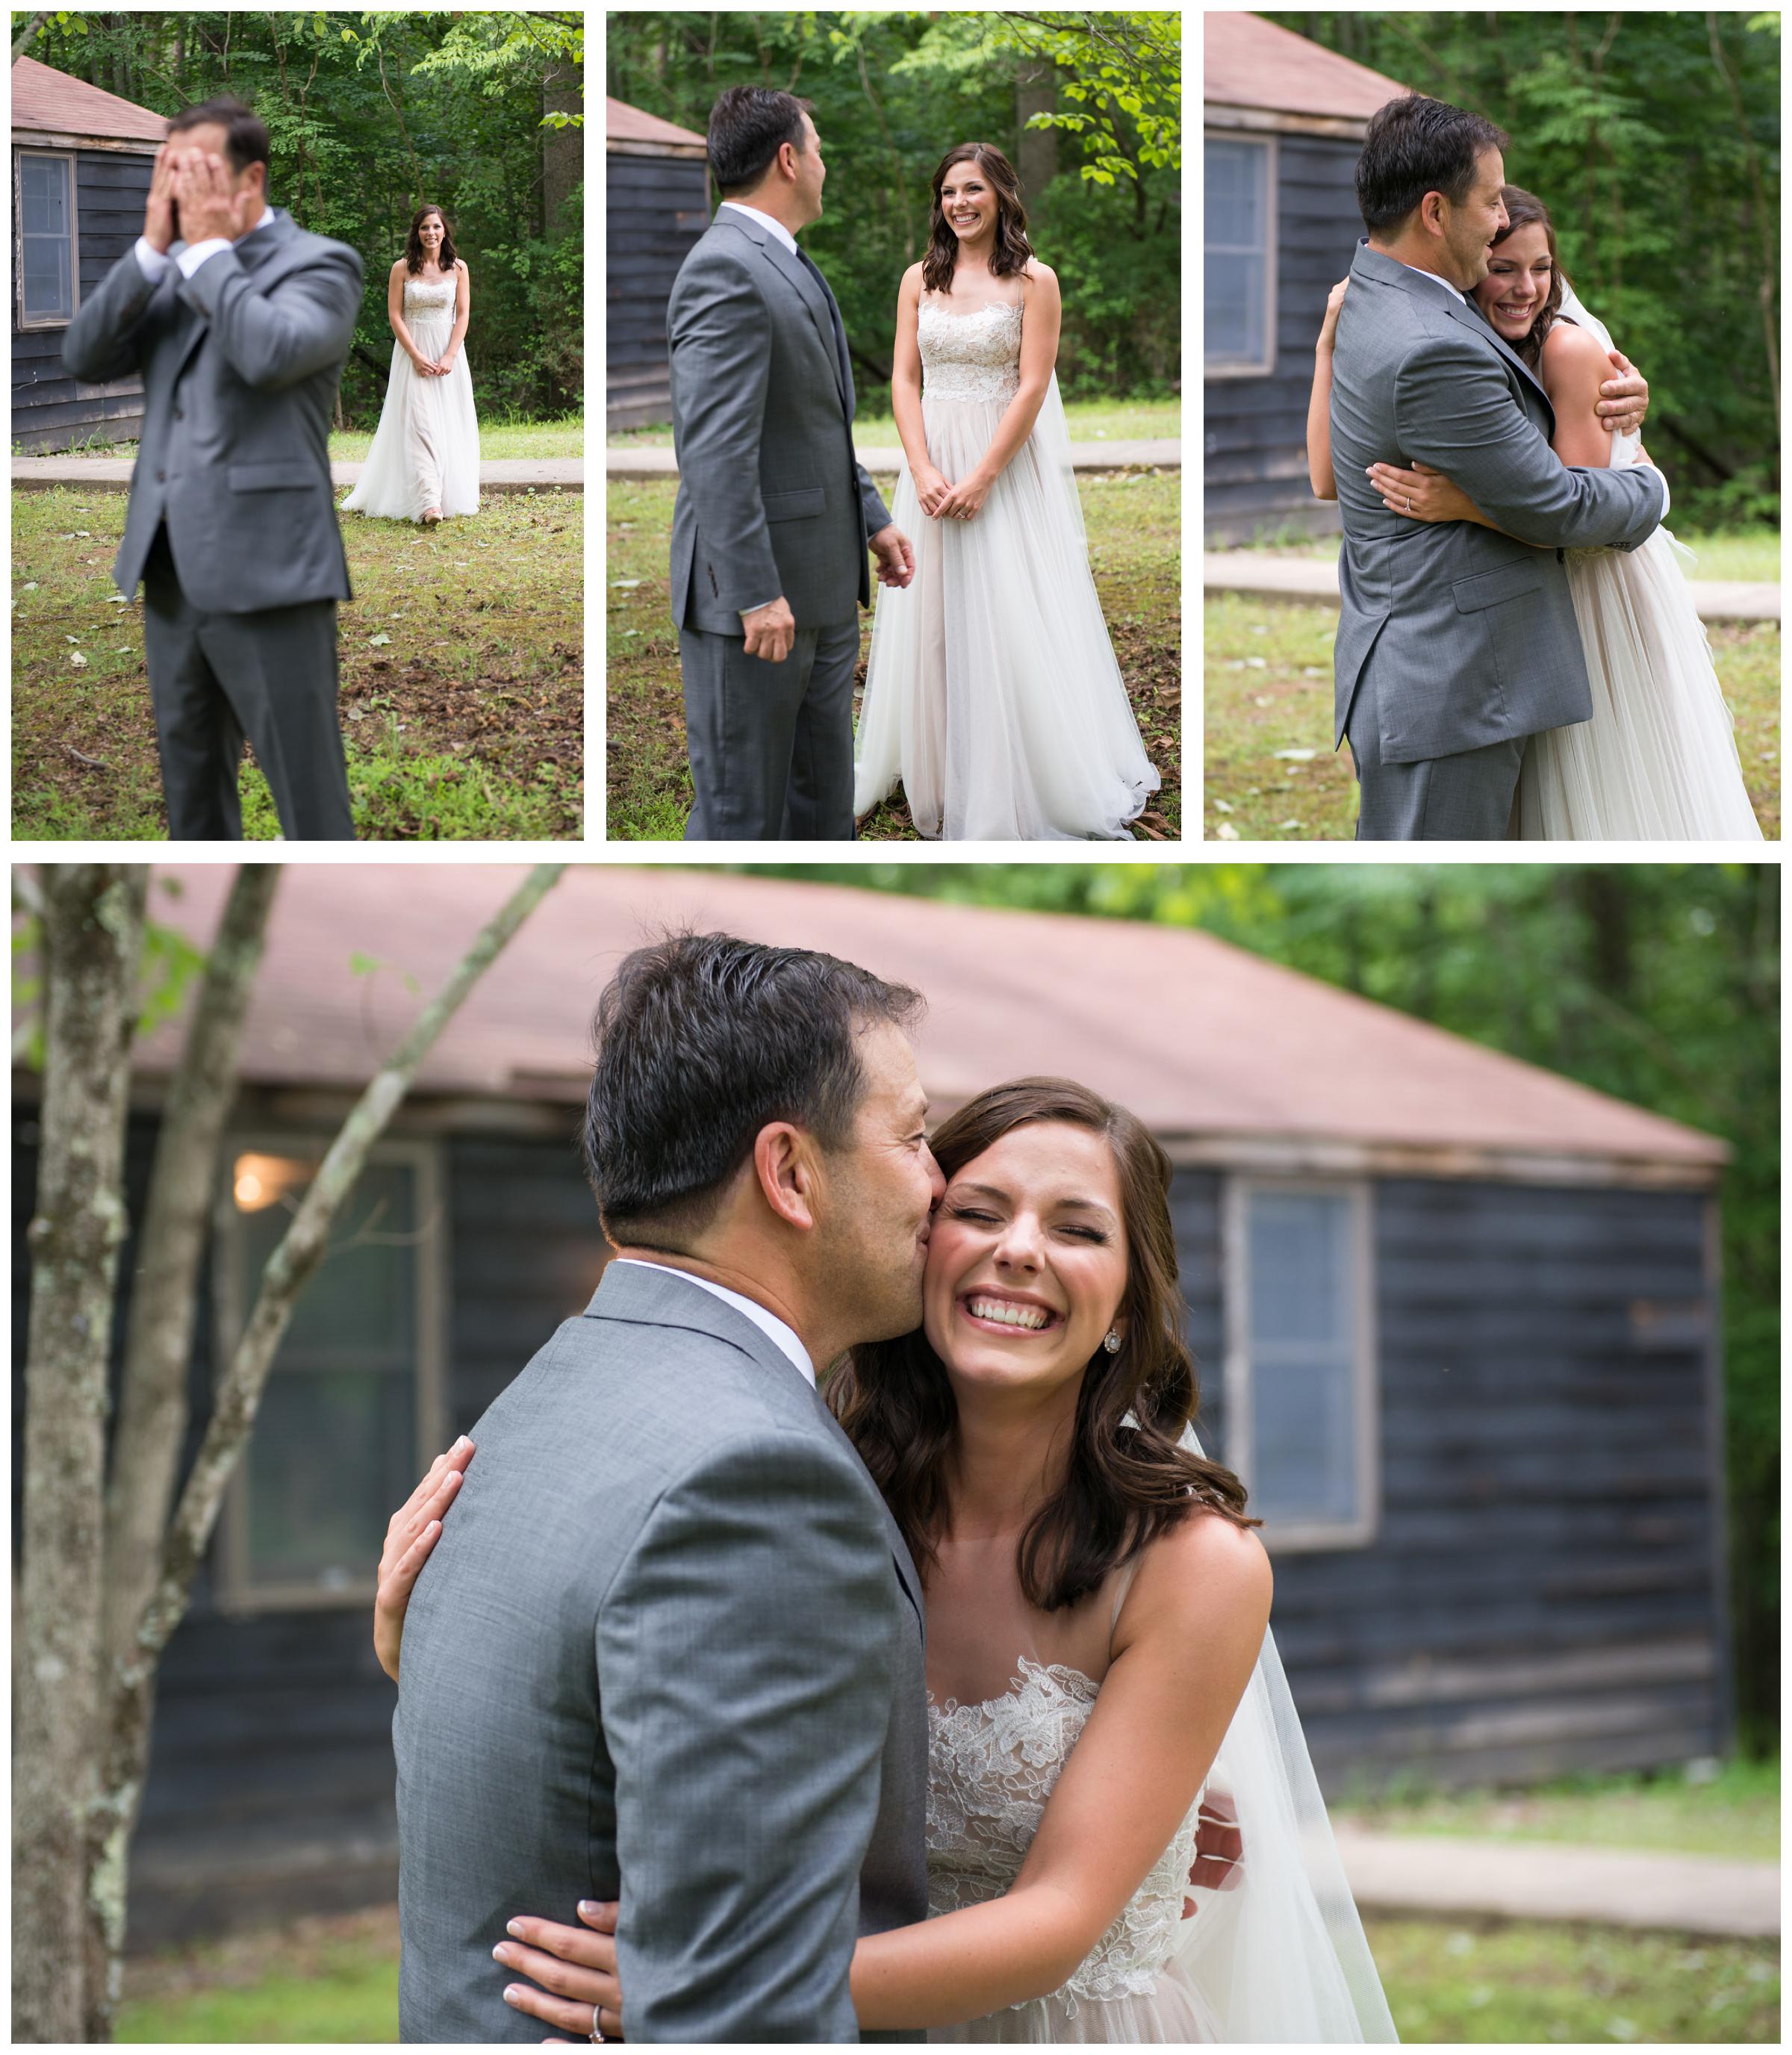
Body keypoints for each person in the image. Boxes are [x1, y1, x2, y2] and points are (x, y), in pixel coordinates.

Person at [379, 1054, 1398, 2041]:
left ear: (1129, 1306)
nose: (1021, 1250)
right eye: (981, 1212)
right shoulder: (803, 1489)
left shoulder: (1190, 1563)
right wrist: (419, 1637)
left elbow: (1054, 1924)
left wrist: (704, 1985)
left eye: (1078, 1229)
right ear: (923, 1240)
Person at [1310, 190, 1762, 841]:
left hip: (1587, 599)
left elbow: (1570, 524)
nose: (1526, 288)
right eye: (1505, 269)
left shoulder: (1566, 352)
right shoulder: (1445, 343)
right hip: (1516, 613)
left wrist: (1466, 502)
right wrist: (1328, 347)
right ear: (1467, 267)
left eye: (1542, 268)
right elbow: (1327, 479)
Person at [1320, 94, 1670, 842]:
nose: (1498, 221)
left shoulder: (1371, 296)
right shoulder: (1433, 344)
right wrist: (1649, 483)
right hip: (1451, 682)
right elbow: (1551, 509)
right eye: (1488, 204)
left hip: (1419, 664)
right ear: (1437, 212)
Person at [62, 96, 361, 840]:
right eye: (168, 172)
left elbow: (271, 353)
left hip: (272, 576)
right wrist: (148, 252)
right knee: (192, 806)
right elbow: (83, 356)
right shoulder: (163, 269)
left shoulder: (320, 264)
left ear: (250, 178)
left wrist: (204, 252)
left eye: (193, 172)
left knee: (310, 807)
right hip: (169, 577)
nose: (178, 188)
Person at [853, 144, 1161, 841]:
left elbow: (1032, 385)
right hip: (931, 463)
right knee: (929, 616)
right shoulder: (917, 279)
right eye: (948, 192)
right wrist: (923, 468)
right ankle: (933, 759)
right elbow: (904, 381)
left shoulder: (1034, 281)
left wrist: (984, 476)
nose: (959, 203)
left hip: (1002, 463)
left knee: (1006, 612)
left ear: (1001, 198)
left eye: (973, 190)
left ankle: (1009, 768)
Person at [668, 87, 915, 841]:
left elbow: (814, 422)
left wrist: (871, 520)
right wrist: (753, 592)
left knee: (820, 810)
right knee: (742, 815)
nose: (825, 163)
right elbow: (714, 449)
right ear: (787, 159)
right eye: (817, 147)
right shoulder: (724, 270)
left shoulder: (785, 261)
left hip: (824, 589)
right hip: (758, 607)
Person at [340, 204, 481, 525]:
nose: (431, 233)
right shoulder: (401, 268)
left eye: (436, 227)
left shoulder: (458, 268)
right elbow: (394, 315)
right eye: (424, 228)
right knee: (420, 423)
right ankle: (429, 502)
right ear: (416, 233)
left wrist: (449, 356)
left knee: (445, 421)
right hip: (412, 351)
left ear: (445, 230)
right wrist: (416, 356)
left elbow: (463, 315)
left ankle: (444, 493)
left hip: (448, 353)